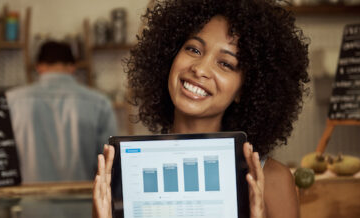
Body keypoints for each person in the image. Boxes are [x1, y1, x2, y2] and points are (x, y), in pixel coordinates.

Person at [93, 0, 309, 217]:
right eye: (193, 49)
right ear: (170, 56)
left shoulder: (272, 179)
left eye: (225, 63)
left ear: (246, 89)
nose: (200, 69)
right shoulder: (121, 173)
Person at [6, 41, 117, 182]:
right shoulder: (100, 103)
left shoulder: (11, 101)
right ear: (72, 67)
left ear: (39, 67)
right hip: (83, 200)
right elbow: (109, 161)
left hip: (28, 201)